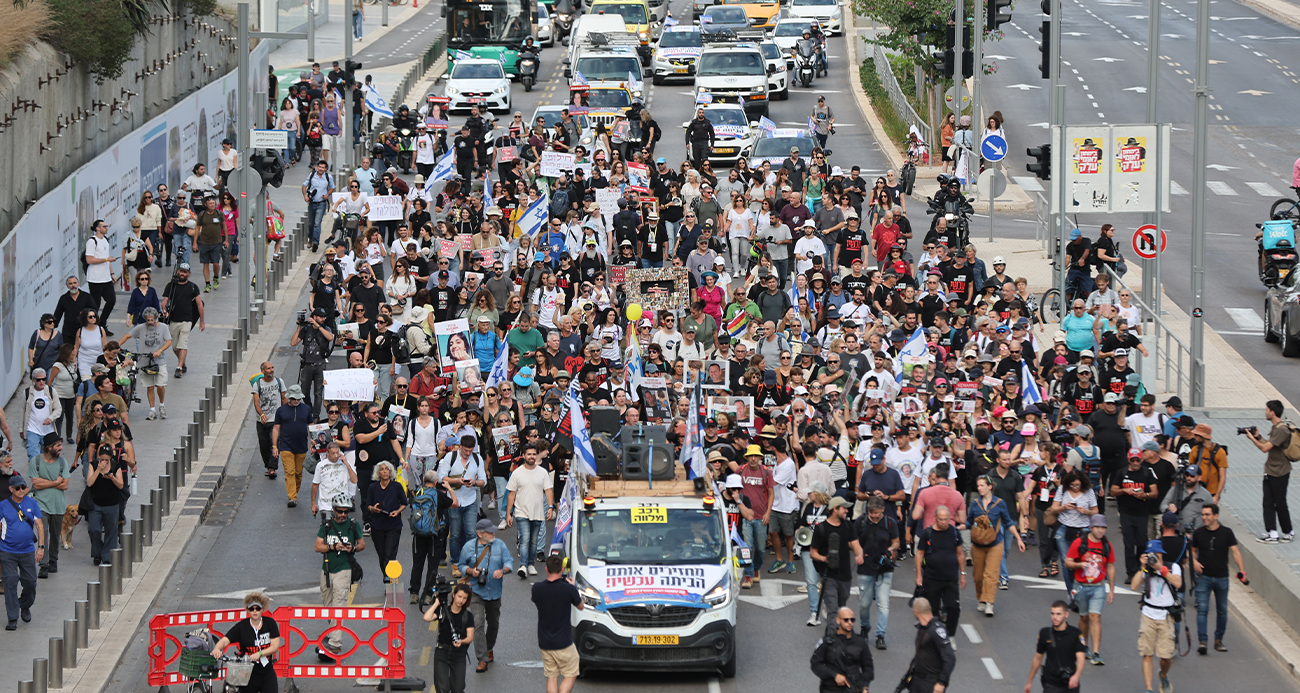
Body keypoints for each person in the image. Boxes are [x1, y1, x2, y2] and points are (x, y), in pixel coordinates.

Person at [1190, 503, 1246, 655]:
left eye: (1207, 514)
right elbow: (1192, 551)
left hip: (1222, 577)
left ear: (1216, 516)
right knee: (1202, 609)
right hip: (1203, 577)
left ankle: (1218, 640)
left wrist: (1242, 571)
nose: (1204, 517)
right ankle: (1202, 641)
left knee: (1222, 610)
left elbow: (1235, 552)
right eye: (1203, 514)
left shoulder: (1227, 532)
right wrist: (1194, 562)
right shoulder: (1198, 533)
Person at [458, 519, 513, 673]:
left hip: (494, 593)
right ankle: (482, 659)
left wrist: (503, 570)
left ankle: (489, 648)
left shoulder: (500, 545)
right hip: (476, 592)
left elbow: (509, 561)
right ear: (480, 534)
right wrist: (471, 571)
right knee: (478, 624)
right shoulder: (468, 547)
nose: (493, 533)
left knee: (494, 624)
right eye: (489, 532)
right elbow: (461, 565)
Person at [315, 492, 364, 655]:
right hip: (327, 570)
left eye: (346, 511)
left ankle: (335, 643)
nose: (343, 514)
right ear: (334, 510)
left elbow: (362, 544)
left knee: (338, 605)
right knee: (327, 605)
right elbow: (317, 546)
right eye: (340, 511)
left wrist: (353, 548)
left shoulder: (353, 525)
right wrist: (332, 547)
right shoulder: (326, 526)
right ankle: (332, 633)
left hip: (344, 570)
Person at [1063, 513, 1115, 665]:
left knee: (1095, 617)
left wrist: (1111, 589)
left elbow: (1110, 566)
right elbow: (1067, 562)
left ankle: (1096, 652)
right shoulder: (1080, 543)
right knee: (1084, 618)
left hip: (1098, 587)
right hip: (1081, 586)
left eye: (1103, 528)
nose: (1100, 530)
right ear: (1091, 527)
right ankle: (1084, 645)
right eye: (1097, 527)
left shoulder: (1107, 545)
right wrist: (1079, 565)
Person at [968, 475, 1023, 618]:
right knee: (978, 576)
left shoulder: (1000, 503)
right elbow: (968, 522)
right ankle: (981, 598)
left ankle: (989, 603)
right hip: (978, 544)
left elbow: (1008, 522)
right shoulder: (975, 504)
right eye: (978, 486)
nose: (979, 488)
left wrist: (1019, 539)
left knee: (991, 574)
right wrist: (959, 527)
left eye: (982, 485)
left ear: (990, 486)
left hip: (995, 543)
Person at [1131, 540, 1182, 693]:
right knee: (1147, 653)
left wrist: (1161, 568)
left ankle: (1163, 675)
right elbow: (1133, 586)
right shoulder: (1146, 569)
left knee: (1166, 656)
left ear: (1161, 554)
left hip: (1166, 616)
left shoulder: (1172, 567)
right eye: (1150, 554)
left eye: (1156, 554)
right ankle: (1149, 688)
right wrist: (1142, 567)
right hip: (1148, 614)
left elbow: (1178, 583)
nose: (1153, 557)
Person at [210, 592, 282, 693]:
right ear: (247, 610)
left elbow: (275, 647)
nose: (255, 611)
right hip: (248, 673)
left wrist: (259, 654)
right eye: (252, 608)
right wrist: (217, 649)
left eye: (258, 608)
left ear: (262, 609)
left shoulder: (270, 623)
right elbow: (225, 640)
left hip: (267, 672)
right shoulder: (242, 627)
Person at [532, 554, 584, 693]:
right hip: (564, 642)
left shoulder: (537, 588)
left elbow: (537, 600)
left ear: (546, 569)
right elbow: (581, 606)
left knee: (552, 676)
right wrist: (573, 588)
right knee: (571, 673)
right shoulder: (568, 589)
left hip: (545, 642)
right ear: (562, 569)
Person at [1244, 400, 1294, 542]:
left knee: (1280, 502)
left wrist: (1252, 439)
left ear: (1272, 412)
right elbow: (1270, 444)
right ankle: (1272, 532)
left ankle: (1288, 531)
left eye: (1266, 410)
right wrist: (1258, 437)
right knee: (1268, 502)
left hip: (1280, 472)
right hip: (1271, 470)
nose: (1265, 412)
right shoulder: (1276, 428)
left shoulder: (1281, 430)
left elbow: (1265, 449)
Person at [810, 496, 864, 625]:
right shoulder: (821, 528)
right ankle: (832, 634)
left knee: (841, 606)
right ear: (835, 509)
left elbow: (856, 545)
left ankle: (837, 628)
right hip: (828, 574)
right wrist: (824, 559)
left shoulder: (848, 525)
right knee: (833, 609)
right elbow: (813, 553)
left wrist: (859, 555)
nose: (847, 511)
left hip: (845, 574)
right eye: (844, 508)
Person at [0, 474, 44, 630]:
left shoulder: (32, 503)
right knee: (10, 581)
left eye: (23, 487)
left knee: (30, 582)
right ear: (11, 489)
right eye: (17, 488)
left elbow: (39, 525)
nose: (21, 490)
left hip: (27, 551)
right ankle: (12, 618)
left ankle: (24, 605)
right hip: (7, 551)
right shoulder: (3, 505)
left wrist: (41, 547)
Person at [854, 496, 898, 649]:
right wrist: (858, 553)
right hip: (865, 567)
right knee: (864, 604)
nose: (873, 515)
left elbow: (896, 541)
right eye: (871, 512)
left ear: (883, 510)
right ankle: (865, 627)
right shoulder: (861, 521)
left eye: (876, 513)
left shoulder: (890, 523)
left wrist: (890, 550)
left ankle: (880, 635)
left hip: (884, 568)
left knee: (883, 604)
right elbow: (852, 540)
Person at [914, 505, 965, 636]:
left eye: (946, 519)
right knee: (933, 609)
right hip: (932, 578)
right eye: (941, 519)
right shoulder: (928, 533)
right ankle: (936, 634)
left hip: (950, 578)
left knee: (953, 607)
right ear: (935, 518)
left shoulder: (955, 533)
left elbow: (960, 554)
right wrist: (919, 575)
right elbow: (920, 554)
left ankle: (950, 635)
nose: (943, 522)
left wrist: (963, 574)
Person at [409, 471, 458, 604]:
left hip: (418, 535)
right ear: (436, 482)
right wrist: (449, 489)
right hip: (435, 535)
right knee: (432, 566)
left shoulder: (417, 492)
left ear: (424, 480)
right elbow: (455, 504)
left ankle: (414, 593)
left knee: (417, 564)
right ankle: (428, 595)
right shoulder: (438, 495)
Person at [1111, 448, 1158, 581]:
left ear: (1141, 460)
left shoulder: (1147, 473)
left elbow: (1155, 492)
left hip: (1142, 513)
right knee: (1129, 544)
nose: (1136, 463)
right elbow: (1113, 491)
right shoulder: (1122, 473)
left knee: (1142, 542)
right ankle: (1131, 573)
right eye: (1133, 460)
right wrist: (1125, 490)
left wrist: (1144, 495)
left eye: (1138, 460)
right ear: (1129, 460)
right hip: (1126, 513)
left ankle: (1141, 568)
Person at [507, 443, 553, 577]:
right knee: (525, 538)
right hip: (521, 512)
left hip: (538, 512)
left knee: (533, 541)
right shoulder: (517, 473)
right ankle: (523, 566)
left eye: (534, 454)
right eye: (529, 454)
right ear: (523, 456)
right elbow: (511, 494)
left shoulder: (542, 472)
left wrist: (550, 507)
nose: (532, 457)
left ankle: (531, 564)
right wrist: (508, 514)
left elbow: (548, 490)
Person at [28, 433, 69, 578]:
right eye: (58, 445)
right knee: (43, 532)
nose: (61, 448)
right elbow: (35, 484)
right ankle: (43, 564)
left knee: (55, 534)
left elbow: (65, 485)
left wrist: (44, 482)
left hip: (58, 505)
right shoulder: (36, 461)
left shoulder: (63, 463)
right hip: (41, 505)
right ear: (49, 447)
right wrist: (55, 482)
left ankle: (53, 560)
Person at [1023, 600, 1087, 693]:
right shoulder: (1045, 633)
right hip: (1051, 684)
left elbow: (1081, 657)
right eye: (1052, 614)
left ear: (1066, 614)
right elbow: (1038, 657)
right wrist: (1029, 682)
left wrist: (1077, 676)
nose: (1055, 617)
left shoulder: (1075, 634)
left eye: (1058, 614)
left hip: (1070, 683)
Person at [423, 582, 475, 693]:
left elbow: (470, 637)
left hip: (459, 654)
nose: (461, 600)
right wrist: (437, 603)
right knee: (443, 688)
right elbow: (427, 617)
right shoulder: (443, 611)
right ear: (454, 595)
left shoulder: (468, 616)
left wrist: (461, 641)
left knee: (458, 688)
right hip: (442, 652)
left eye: (464, 598)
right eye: (459, 596)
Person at [810, 607, 875, 693]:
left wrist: (865, 686)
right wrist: (834, 675)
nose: (850, 622)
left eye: (852, 620)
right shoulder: (827, 642)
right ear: (838, 620)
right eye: (846, 620)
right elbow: (815, 664)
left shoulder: (861, 643)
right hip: (831, 689)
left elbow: (868, 667)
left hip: (853, 688)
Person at [159, 263, 206, 378]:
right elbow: (165, 300)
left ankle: (179, 368)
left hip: (187, 319)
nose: (182, 273)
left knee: (183, 343)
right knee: (175, 346)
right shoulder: (171, 285)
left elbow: (199, 304)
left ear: (189, 274)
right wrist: (164, 308)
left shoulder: (193, 287)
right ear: (177, 272)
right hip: (173, 319)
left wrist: (202, 321)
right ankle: (183, 363)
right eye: (181, 271)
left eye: (185, 272)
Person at [271, 384, 313, 508]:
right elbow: (276, 429)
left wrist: (313, 441)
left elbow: (311, 426)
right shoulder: (281, 410)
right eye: (294, 398)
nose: (296, 401)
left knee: (298, 473)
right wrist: (274, 446)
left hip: (301, 446)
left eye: (298, 398)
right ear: (289, 397)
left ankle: (294, 491)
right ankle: (292, 497)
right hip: (286, 446)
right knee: (289, 472)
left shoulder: (306, 409)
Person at [126, 307, 172, 420]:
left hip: (159, 361)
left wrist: (160, 351)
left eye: (152, 320)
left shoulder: (163, 327)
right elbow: (128, 336)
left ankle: (162, 405)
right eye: (148, 320)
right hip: (145, 362)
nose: (150, 322)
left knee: (160, 385)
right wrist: (116, 346)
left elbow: (169, 341)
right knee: (150, 387)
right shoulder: (141, 328)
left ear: (156, 318)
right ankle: (152, 410)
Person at [366, 461, 407, 582]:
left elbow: (404, 503)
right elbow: (368, 505)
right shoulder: (372, 488)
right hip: (377, 526)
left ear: (390, 472)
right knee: (382, 554)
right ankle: (386, 574)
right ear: (378, 473)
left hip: (393, 525)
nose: (384, 471)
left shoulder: (397, 486)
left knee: (390, 553)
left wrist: (397, 511)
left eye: (387, 469)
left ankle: (389, 576)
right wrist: (373, 508)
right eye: (382, 469)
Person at [905, 597, 956, 693]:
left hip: (931, 682)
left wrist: (942, 682)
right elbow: (922, 651)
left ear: (916, 611)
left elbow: (950, 658)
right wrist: (912, 665)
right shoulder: (922, 628)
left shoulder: (936, 630)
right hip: (917, 680)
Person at [291, 308, 335, 417]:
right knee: (304, 391)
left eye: (324, 316)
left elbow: (330, 337)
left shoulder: (325, 328)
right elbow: (293, 343)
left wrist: (318, 326)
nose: (323, 319)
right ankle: (309, 409)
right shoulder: (306, 329)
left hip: (320, 364)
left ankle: (316, 416)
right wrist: (299, 327)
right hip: (307, 364)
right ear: (314, 317)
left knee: (318, 393)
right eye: (321, 317)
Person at [250, 362, 287, 479]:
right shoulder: (257, 385)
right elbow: (256, 403)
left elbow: (284, 398)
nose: (271, 370)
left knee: (274, 444)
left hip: (276, 420)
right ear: (263, 371)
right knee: (264, 445)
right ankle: (268, 466)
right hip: (262, 421)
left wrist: (286, 414)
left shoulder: (279, 382)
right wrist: (262, 415)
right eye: (268, 368)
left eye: (272, 367)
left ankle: (272, 468)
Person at [84, 219, 119, 335]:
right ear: (97, 228)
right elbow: (89, 260)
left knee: (111, 300)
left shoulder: (105, 240)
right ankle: (93, 326)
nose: (106, 228)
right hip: (95, 279)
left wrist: (112, 273)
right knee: (95, 305)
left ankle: (102, 323)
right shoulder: (92, 241)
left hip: (106, 278)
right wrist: (105, 259)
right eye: (104, 226)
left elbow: (107, 259)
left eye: (106, 226)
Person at [20, 369, 61, 462]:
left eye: (43, 379)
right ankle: (35, 471)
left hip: (48, 431)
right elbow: (22, 410)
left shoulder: (51, 391)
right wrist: (21, 429)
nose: (41, 382)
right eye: (38, 380)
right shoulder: (27, 392)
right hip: (32, 429)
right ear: (33, 379)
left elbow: (58, 409)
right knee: (33, 457)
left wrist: (51, 418)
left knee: (48, 457)